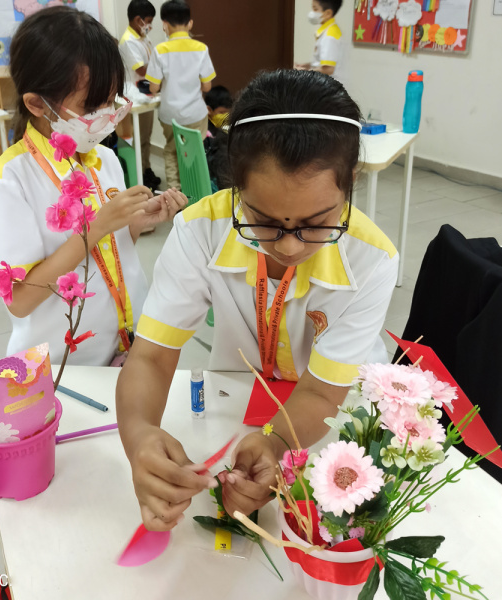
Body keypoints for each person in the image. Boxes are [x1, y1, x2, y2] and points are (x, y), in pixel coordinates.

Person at [116, 69, 398, 531]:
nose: (288, 247)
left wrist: (278, 444)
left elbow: (324, 391)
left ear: (349, 182)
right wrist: (139, 435)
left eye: (318, 222)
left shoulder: (372, 260)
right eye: (262, 220)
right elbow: (149, 357)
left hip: (330, 416)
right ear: (235, 187)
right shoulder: (200, 231)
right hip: (239, 394)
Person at [0, 7, 187, 366]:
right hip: (63, 366)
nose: (105, 115)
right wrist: (99, 226)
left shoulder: (104, 160)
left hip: (124, 346)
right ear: (37, 104)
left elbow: (112, 252)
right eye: (91, 106)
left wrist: (134, 223)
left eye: (112, 100)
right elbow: (21, 299)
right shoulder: (7, 182)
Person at [145, 0, 216, 190]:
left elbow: (153, 88)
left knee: (171, 152)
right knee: (195, 153)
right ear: (190, 23)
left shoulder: (159, 50)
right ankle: (196, 191)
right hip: (196, 113)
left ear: (164, 24)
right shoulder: (201, 49)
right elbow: (207, 87)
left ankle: (175, 196)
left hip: (170, 116)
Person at [119, 0, 161, 190]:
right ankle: (140, 175)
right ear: (138, 20)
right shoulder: (128, 41)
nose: (150, 26)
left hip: (146, 94)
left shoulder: (142, 38)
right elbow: (143, 70)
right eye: (149, 21)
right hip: (134, 95)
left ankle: (146, 168)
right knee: (139, 137)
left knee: (146, 136)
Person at [295, 0, 343, 79]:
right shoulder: (327, 31)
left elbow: (329, 69)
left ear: (328, 13)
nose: (311, 13)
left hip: (329, 85)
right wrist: (307, 66)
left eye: (315, 9)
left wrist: (303, 71)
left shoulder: (329, 35)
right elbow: (321, 62)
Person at [204, 85, 233, 191]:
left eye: (228, 113)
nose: (225, 116)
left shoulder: (226, 129)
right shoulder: (205, 131)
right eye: (221, 113)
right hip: (212, 177)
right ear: (209, 110)